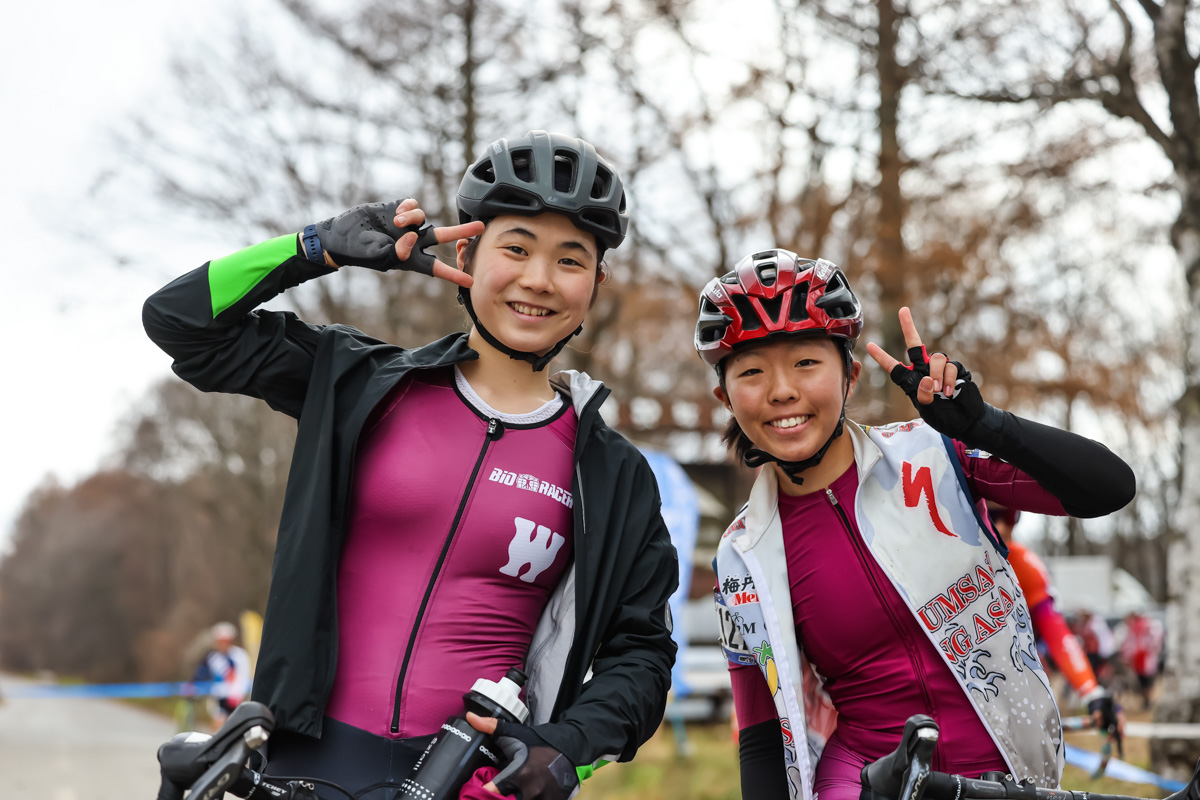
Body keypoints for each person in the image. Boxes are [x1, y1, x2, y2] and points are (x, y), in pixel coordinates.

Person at [144, 131, 678, 800]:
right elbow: (179, 320)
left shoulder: (612, 473)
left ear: (595, 283)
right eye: (515, 248)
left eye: (570, 260)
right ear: (466, 253)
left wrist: (563, 749)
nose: (539, 280)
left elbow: (644, 653)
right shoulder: (359, 381)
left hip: (470, 781)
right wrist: (317, 248)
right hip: (303, 769)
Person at [694, 249, 1136, 800]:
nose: (782, 390)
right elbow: (759, 734)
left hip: (1010, 774)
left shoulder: (933, 454)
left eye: (806, 363)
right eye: (753, 372)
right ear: (726, 398)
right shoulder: (743, 554)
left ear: (850, 375)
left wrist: (987, 427)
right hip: (863, 781)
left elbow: (1110, 488)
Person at [984, 504, 1123, 745]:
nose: (1003, 525)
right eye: (991, 515)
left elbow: (1057, 632)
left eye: (1010, 516)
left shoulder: (1022, 564)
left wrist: (1092, 692)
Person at [191, 621, 253, 729]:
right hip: (218, 697)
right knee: (218, 724)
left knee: (234, 727)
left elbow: (244, 675)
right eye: (219, 641)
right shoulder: (212, 657)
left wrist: (238, 694)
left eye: (224, 641)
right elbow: (200, 674)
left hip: (235, 697)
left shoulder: (240, 655)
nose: (222, 644)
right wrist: (193, 686)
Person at [1115, 610, 1164, 709]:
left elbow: (1154, 642)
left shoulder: (1148, 626)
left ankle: (1147, 701)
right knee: (1142, 681)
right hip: (1139, 659)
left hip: (1146, 658)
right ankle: (1145, 700)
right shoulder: (1133, 629)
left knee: (1147, 681)